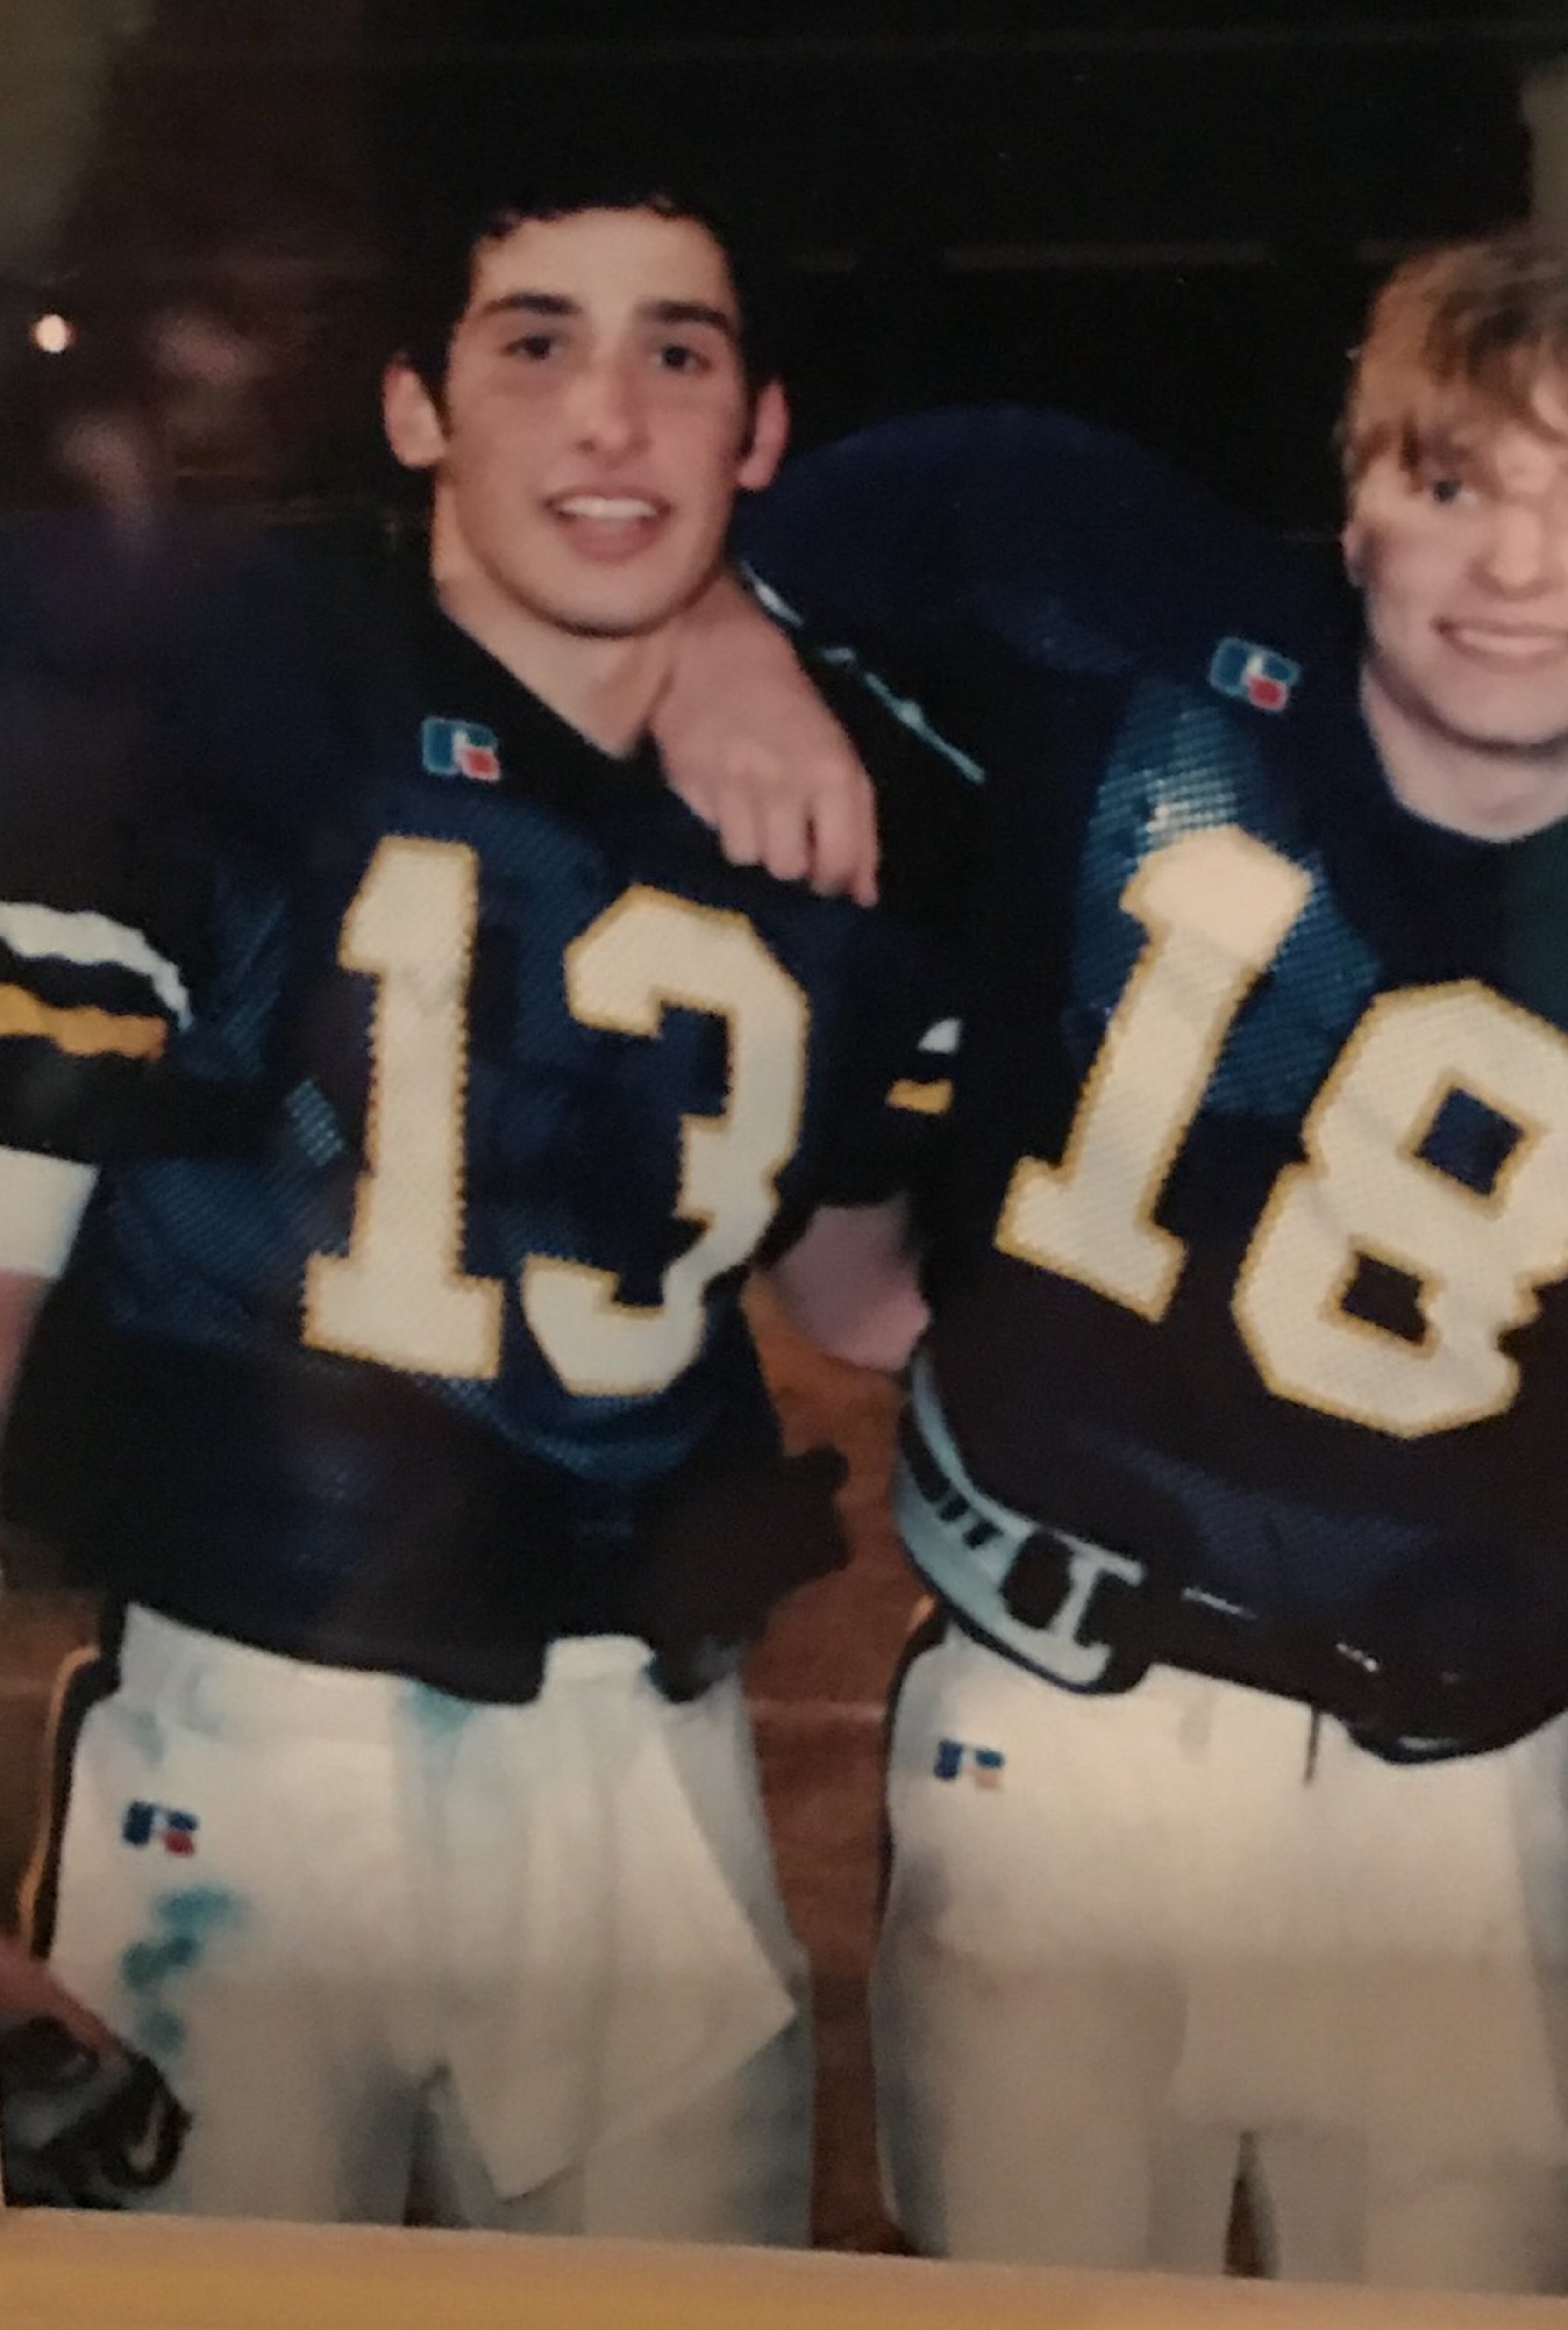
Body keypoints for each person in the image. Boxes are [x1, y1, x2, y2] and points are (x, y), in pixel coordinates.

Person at [656, 215, 1568, 2288]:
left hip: (1479, 1783)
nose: (1514, 567)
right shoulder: (1143, 617)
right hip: (1059, 1723)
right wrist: (729, 628)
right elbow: (759, 535)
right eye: (1453, 485)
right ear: (1356, 504)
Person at [0, 161, 965, 2234]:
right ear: (416, 407)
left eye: (676, 356)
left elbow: (874, 1293)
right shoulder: (236, 701)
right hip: (249, 1749)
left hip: (652, 1777)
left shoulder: (854, 831)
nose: (610, 420)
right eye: (536, 345)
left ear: (760, 429)